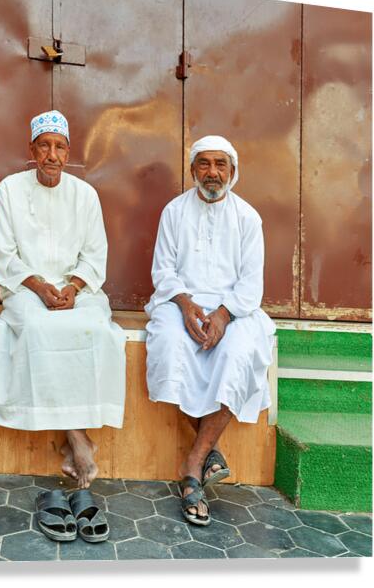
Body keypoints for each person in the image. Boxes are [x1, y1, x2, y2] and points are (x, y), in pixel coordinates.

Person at [0, 110, 127, 493]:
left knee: (96, 328)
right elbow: (5, 255)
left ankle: (76, 438)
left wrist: (74, 288)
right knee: (36, 327)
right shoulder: (9, 190)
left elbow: (95, 254)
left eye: (60, 147)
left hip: (76, 289)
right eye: (44, 146)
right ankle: (78, 438)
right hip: (24, 289)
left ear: (68, 153)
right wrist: (39, 287)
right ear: (31, 149)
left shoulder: (85, 195)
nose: (52, 154)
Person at [144, 135, 275, 527]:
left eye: (220, 164)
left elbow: (252, 285)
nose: (212, 172)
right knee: (169, 346)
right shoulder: (174, 212)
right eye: (204, 163)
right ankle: (209, 451)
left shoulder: (248, 218)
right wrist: (185, 306)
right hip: (178, 302)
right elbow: (163, 271)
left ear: (233, 171)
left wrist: (222, 315)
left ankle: (193, 465)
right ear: (192, 170)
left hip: (235, 309)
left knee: (239, 354)